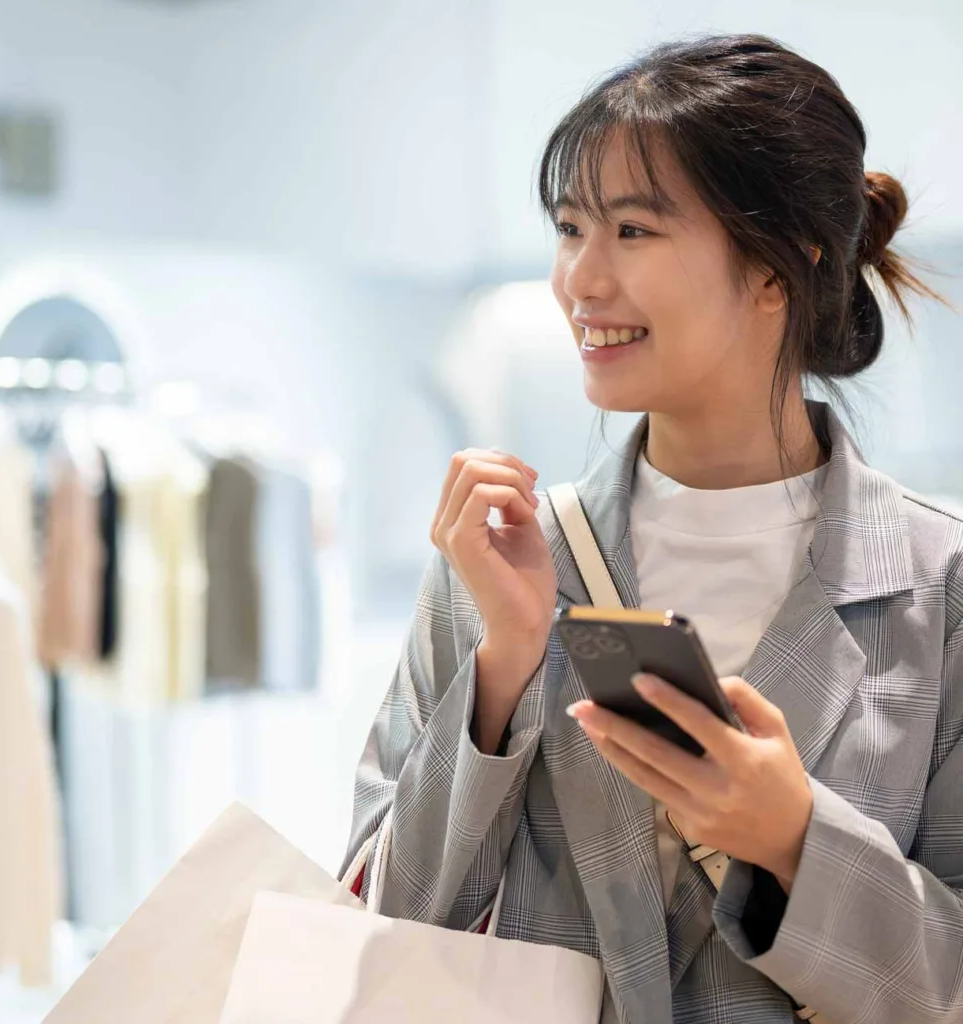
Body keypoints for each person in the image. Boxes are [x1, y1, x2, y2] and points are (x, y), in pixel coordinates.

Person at [341, 33, 963, 1024]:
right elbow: (380, 926)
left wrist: (796, 839)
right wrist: (503, 668)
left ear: (779, 265)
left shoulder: (942, 585)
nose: (579, 281)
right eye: (569, 228)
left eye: (632, 230)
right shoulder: (500, 561)